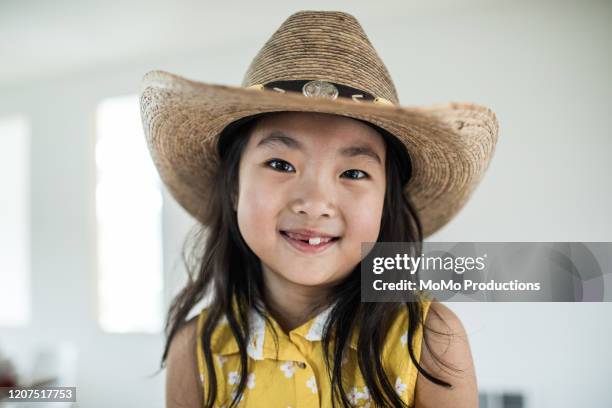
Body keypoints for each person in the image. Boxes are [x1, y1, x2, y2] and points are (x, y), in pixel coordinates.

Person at [139, 10, 499, 408]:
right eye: (280, 165)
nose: (314, 202)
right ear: (235, 189)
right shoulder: (195, 350)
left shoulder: (429, 339)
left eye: (353, 172)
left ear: (385, 203)